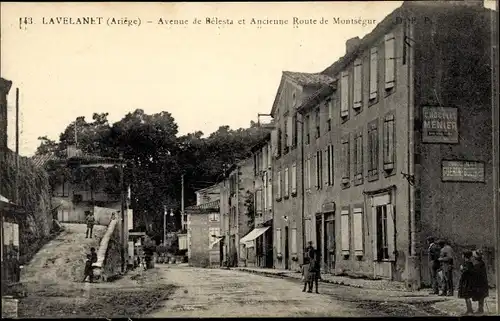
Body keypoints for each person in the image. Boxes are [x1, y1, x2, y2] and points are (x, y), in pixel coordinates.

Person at [458, 250, 475, 314]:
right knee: (466, 296)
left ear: (465, 256)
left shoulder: (468, 263)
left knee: (467, 296)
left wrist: (462, 269)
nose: (462, 256)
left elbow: (467, 271)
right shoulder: (468, 263)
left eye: (463, 255)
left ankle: (470, 310)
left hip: (467, 282)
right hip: (466, 281)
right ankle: (469, 310)